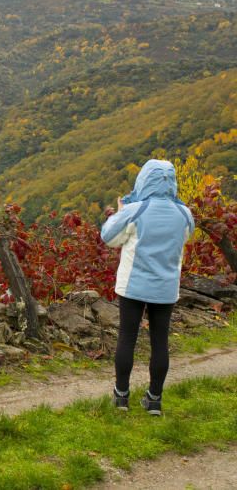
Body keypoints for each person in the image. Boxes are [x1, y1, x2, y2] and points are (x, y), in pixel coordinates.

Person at [101, 159, 194, 416]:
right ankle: (154, 400)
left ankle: (121, 397)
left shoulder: (136, 210)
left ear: (144, 179)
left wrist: (120, 212)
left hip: (133, 286)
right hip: (165, 288)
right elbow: (186, 236)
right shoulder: (184, 214)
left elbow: (109, 237)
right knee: (160, 342)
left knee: (127, 338)